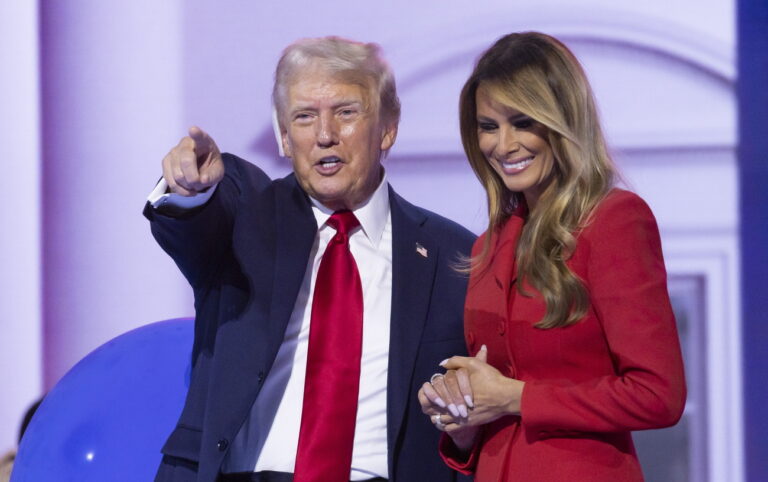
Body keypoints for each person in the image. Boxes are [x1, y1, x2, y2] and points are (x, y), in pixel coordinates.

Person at [145, 36, 475, 482]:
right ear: (284, 136)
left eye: (346, 112)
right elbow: (195, 225)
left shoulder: (452, 254)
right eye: (304, 117)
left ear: (388, 127)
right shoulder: (244, 217)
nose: (325, 135)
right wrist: (191, 192)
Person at [417, 32, 687, 481]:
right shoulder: (488, 245)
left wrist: (514, 397)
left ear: (562, 120)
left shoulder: (614, 221)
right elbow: (496, 403)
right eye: (488, 127)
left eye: (522, 122)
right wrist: (462, 413)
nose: (503, 146)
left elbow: (658, 394)